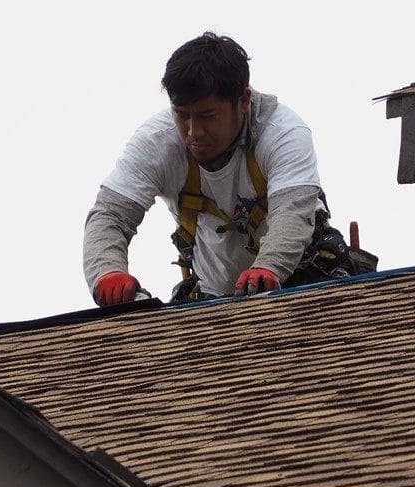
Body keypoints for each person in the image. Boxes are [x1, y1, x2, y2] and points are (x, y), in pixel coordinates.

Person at [83, 32, 350, 307]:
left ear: (243, 100)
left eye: (207, 116)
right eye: (182, 115)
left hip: (303, 275)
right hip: (214, 295)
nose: (193, 132)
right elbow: (110, 216)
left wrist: (269, 268)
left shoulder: (283, 133)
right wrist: (108, 271)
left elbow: (292, 213)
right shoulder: (156, 142)